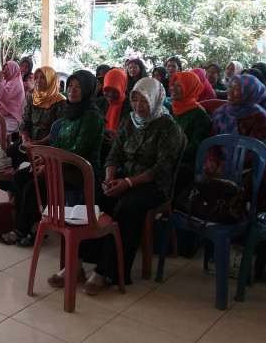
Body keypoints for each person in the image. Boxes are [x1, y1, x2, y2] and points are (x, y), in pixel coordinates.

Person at [48, 77, 183, 293]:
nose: (138, 106)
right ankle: (78, 264)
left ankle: (107, 271)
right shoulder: (129, 121)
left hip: (152, 185)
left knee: (125, 208)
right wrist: (109, 178)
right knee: (92, 198)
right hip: (122, 177)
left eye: (144, 101)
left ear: (156, 100)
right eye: (135, 99)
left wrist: (128, 183)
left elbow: (162, 168)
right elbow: (115, 154)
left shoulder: (168, 127)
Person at [2, 70, 104, 246]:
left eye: (78, 87)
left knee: (34, 186)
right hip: (60, 164)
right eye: (70, 86)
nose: (72, 90)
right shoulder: (71, 112)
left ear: (87, 90)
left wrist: (49, 167)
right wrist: (42, 160)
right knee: (19, 176)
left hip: (79, 171)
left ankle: (25, 230)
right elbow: (58, 143)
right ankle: (28, 225)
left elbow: (76, 151)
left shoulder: (91, 117)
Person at [0, 66, 66, 201]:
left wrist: (38, 143)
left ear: (51, 80)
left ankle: (22, 199)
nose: (38, 81)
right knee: (6, 158)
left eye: (43, 78)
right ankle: (11, 195)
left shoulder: (60, 101)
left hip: (47, 144)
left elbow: (59, 130)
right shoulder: (32, 97)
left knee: (28, 174)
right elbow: (25, 122)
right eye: (36, 78)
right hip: (29, 140)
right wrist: (25, 139)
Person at [206, 74, 266, 177]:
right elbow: (212, 141)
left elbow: (254, 152)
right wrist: (212, 160)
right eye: (230, 86)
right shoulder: (220, 113)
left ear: (249, 93)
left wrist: (228, 166)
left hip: (247, 168)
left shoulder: (259, 118)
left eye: (237, 89)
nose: (230, 91)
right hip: (220, 162)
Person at [169, 71, 212, 191]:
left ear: (190, 88)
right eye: (173, 84)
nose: (173, 88)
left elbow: (196, 144)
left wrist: (172, 152)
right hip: (167, 158)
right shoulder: (171, 108)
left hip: (187, 163)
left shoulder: (199, 114)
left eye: (179, 85)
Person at [96, 67, 131, 166]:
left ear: (122, 88)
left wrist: (118, 139)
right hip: (99, 150)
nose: (110, 95)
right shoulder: (98, 103)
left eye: (115, 91)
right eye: (107, 90)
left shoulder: (131, 106)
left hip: (123, 154)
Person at [0, 60, 26, 145]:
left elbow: (2, 97)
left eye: (7, 69)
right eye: (3, 69)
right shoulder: (5, 82)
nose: (3, 71)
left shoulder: (16, 83)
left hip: (11, 117)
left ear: (14, 71)